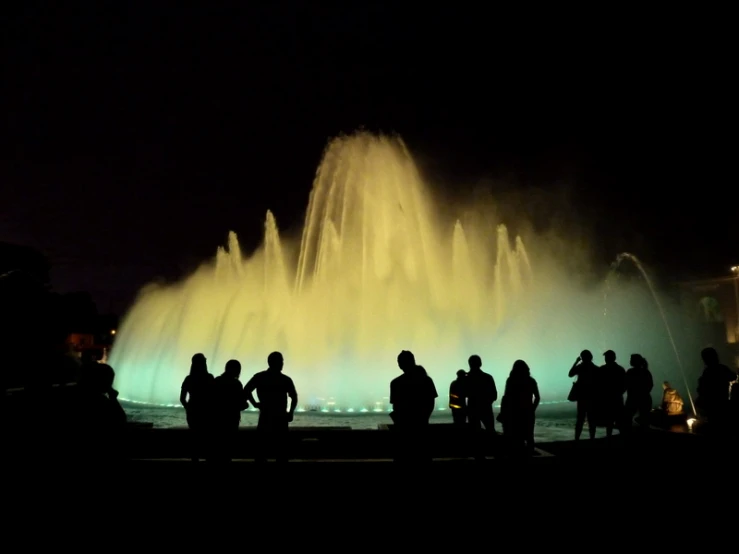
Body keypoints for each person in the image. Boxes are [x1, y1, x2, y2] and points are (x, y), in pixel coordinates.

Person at [244, 351, 298, 463]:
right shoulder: (285, 380)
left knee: (261, 450)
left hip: (265, 416)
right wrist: (291, 412)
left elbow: (246, 390)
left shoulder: (259, 377)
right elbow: (294, 397)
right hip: (280, 418)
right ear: (275, 363)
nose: (283, 363)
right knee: (281, 452)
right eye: (281, 361)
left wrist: (255, 404)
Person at [389, 350, 438, 462]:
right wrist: (423, 418)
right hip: (422, 428)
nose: (399, 364)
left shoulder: (396, 383)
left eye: (399, 361)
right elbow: (431, 403)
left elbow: (395, 407)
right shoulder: (426, 380)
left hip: (403, 431)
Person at [499, 360, 540, 456]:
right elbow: (537, 397)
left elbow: (506, 397)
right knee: (529, 436)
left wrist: (503, 412)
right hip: (528, 412)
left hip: (513, 413)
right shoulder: (531, 381)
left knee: (515, 437)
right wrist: (532, 409)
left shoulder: (511, 380)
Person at [210, 360, 248, 462]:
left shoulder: (217, 381)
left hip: (217, 421)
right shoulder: (237, 384)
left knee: (216, 449)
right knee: (228, 450)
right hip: (232, 420)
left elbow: (210, 400)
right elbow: (242, 403)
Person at [180, 353, 214, 462]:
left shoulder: (189, 378)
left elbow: (182, 398)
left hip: (193, 411)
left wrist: (188, 408)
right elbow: (214, 395)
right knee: (207, 438)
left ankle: (195, 460)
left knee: (195, 437)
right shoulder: (209, 377)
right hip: (207, 412)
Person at [466, 355, 498, 460]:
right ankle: (496, 454)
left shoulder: (466, 379)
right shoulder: (488, 377)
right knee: (490, 431)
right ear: (480, 364)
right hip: (486, 408)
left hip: (472, 409)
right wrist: (486, 402)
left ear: (469, 364)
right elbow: (494, 395)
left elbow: (462, 394)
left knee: (475, 433)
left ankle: (479, 456)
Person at [696, 347, 736, 426]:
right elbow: (733, 376)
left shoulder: (707, 371)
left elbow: (703, 388)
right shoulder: (722, 368)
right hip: (723, 401)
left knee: (714, 423)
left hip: (712, 404)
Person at [568, 350, 598, 440]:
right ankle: (592, 438)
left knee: (580, 418)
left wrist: (576, 361)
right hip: (592, 397)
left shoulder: (580, 367)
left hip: (581, 397)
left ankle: (577, 438)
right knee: (591, 419)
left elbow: (570, 374)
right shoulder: (595, 368)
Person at [624, 354, 654, 429]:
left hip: (632, 399)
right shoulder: (646, 372)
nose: (629, 360)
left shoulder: (630, 372)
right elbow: (650, 385)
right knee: (644, 421)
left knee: (627, 420)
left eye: (631, 359)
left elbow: (625, 384)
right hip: (645, 399)